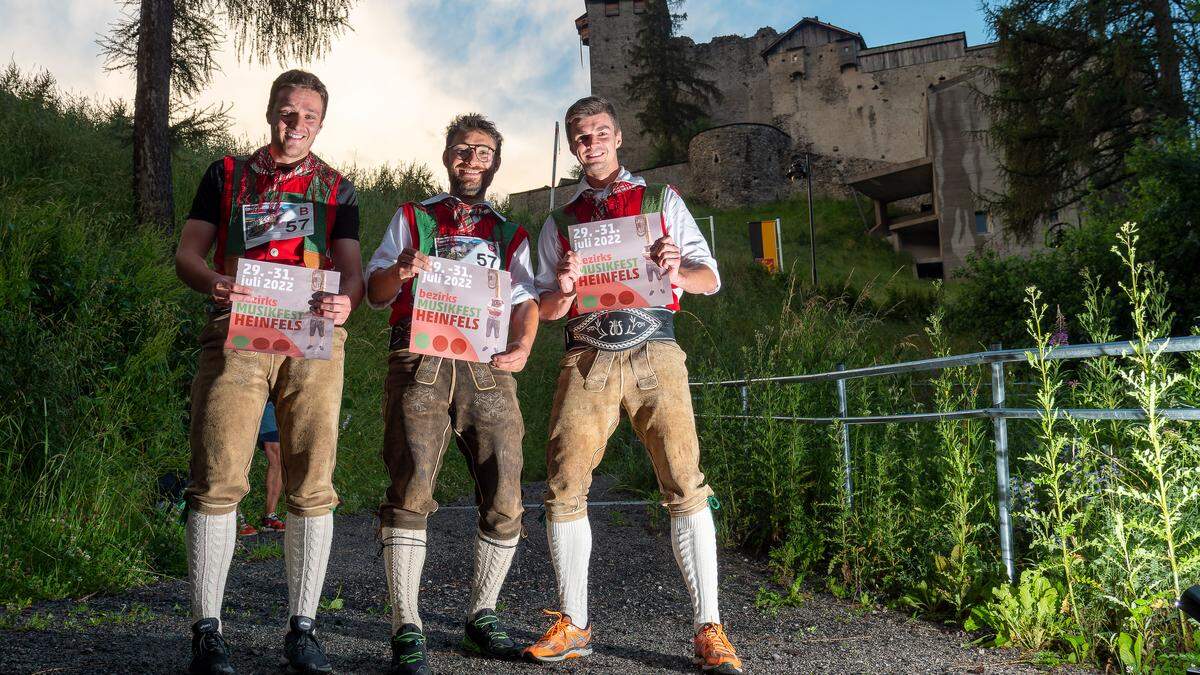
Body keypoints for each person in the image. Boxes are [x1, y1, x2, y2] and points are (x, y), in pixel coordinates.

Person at [524, 96, 744, 675]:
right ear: (572, 145)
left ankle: (710, 627)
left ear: (618, 136)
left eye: (599, 133)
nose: (590, 143)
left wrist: (676, 269)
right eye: (580, 136)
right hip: (588, 354)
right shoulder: (560, 220)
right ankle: (574, 621)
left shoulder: (659, 199)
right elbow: (545, 308)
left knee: (684, 482)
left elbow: (710, 277)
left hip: (655, 349)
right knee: (565, 484)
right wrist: (566, 288)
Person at [174, 69, 363, 675]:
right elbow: (187, 255)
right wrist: (216, 281)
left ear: (321, 122)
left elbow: (351, 272)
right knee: (218, 478)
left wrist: (348, 302)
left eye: (308, 115)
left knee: (312, 482)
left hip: (312, 342)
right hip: (238, 336)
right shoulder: (227, 174)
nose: (296, 124)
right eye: (287, 112)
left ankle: (302, 629)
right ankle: (207, 630)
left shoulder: (337, 189)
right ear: (269, 112)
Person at [364, 113, 539, 674]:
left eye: (483, 152)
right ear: (447, 156)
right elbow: (373, 291)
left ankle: (482, 613)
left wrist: (524, 347)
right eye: (463, 150)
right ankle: (406, 626)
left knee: (507, 486)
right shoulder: (412, 217)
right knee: (411, 484)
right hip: (420, 356)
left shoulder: (509, 232)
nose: (471, 160)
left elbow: (527, 298)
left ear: (495, 163)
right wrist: (401, 269)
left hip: (486, 366)